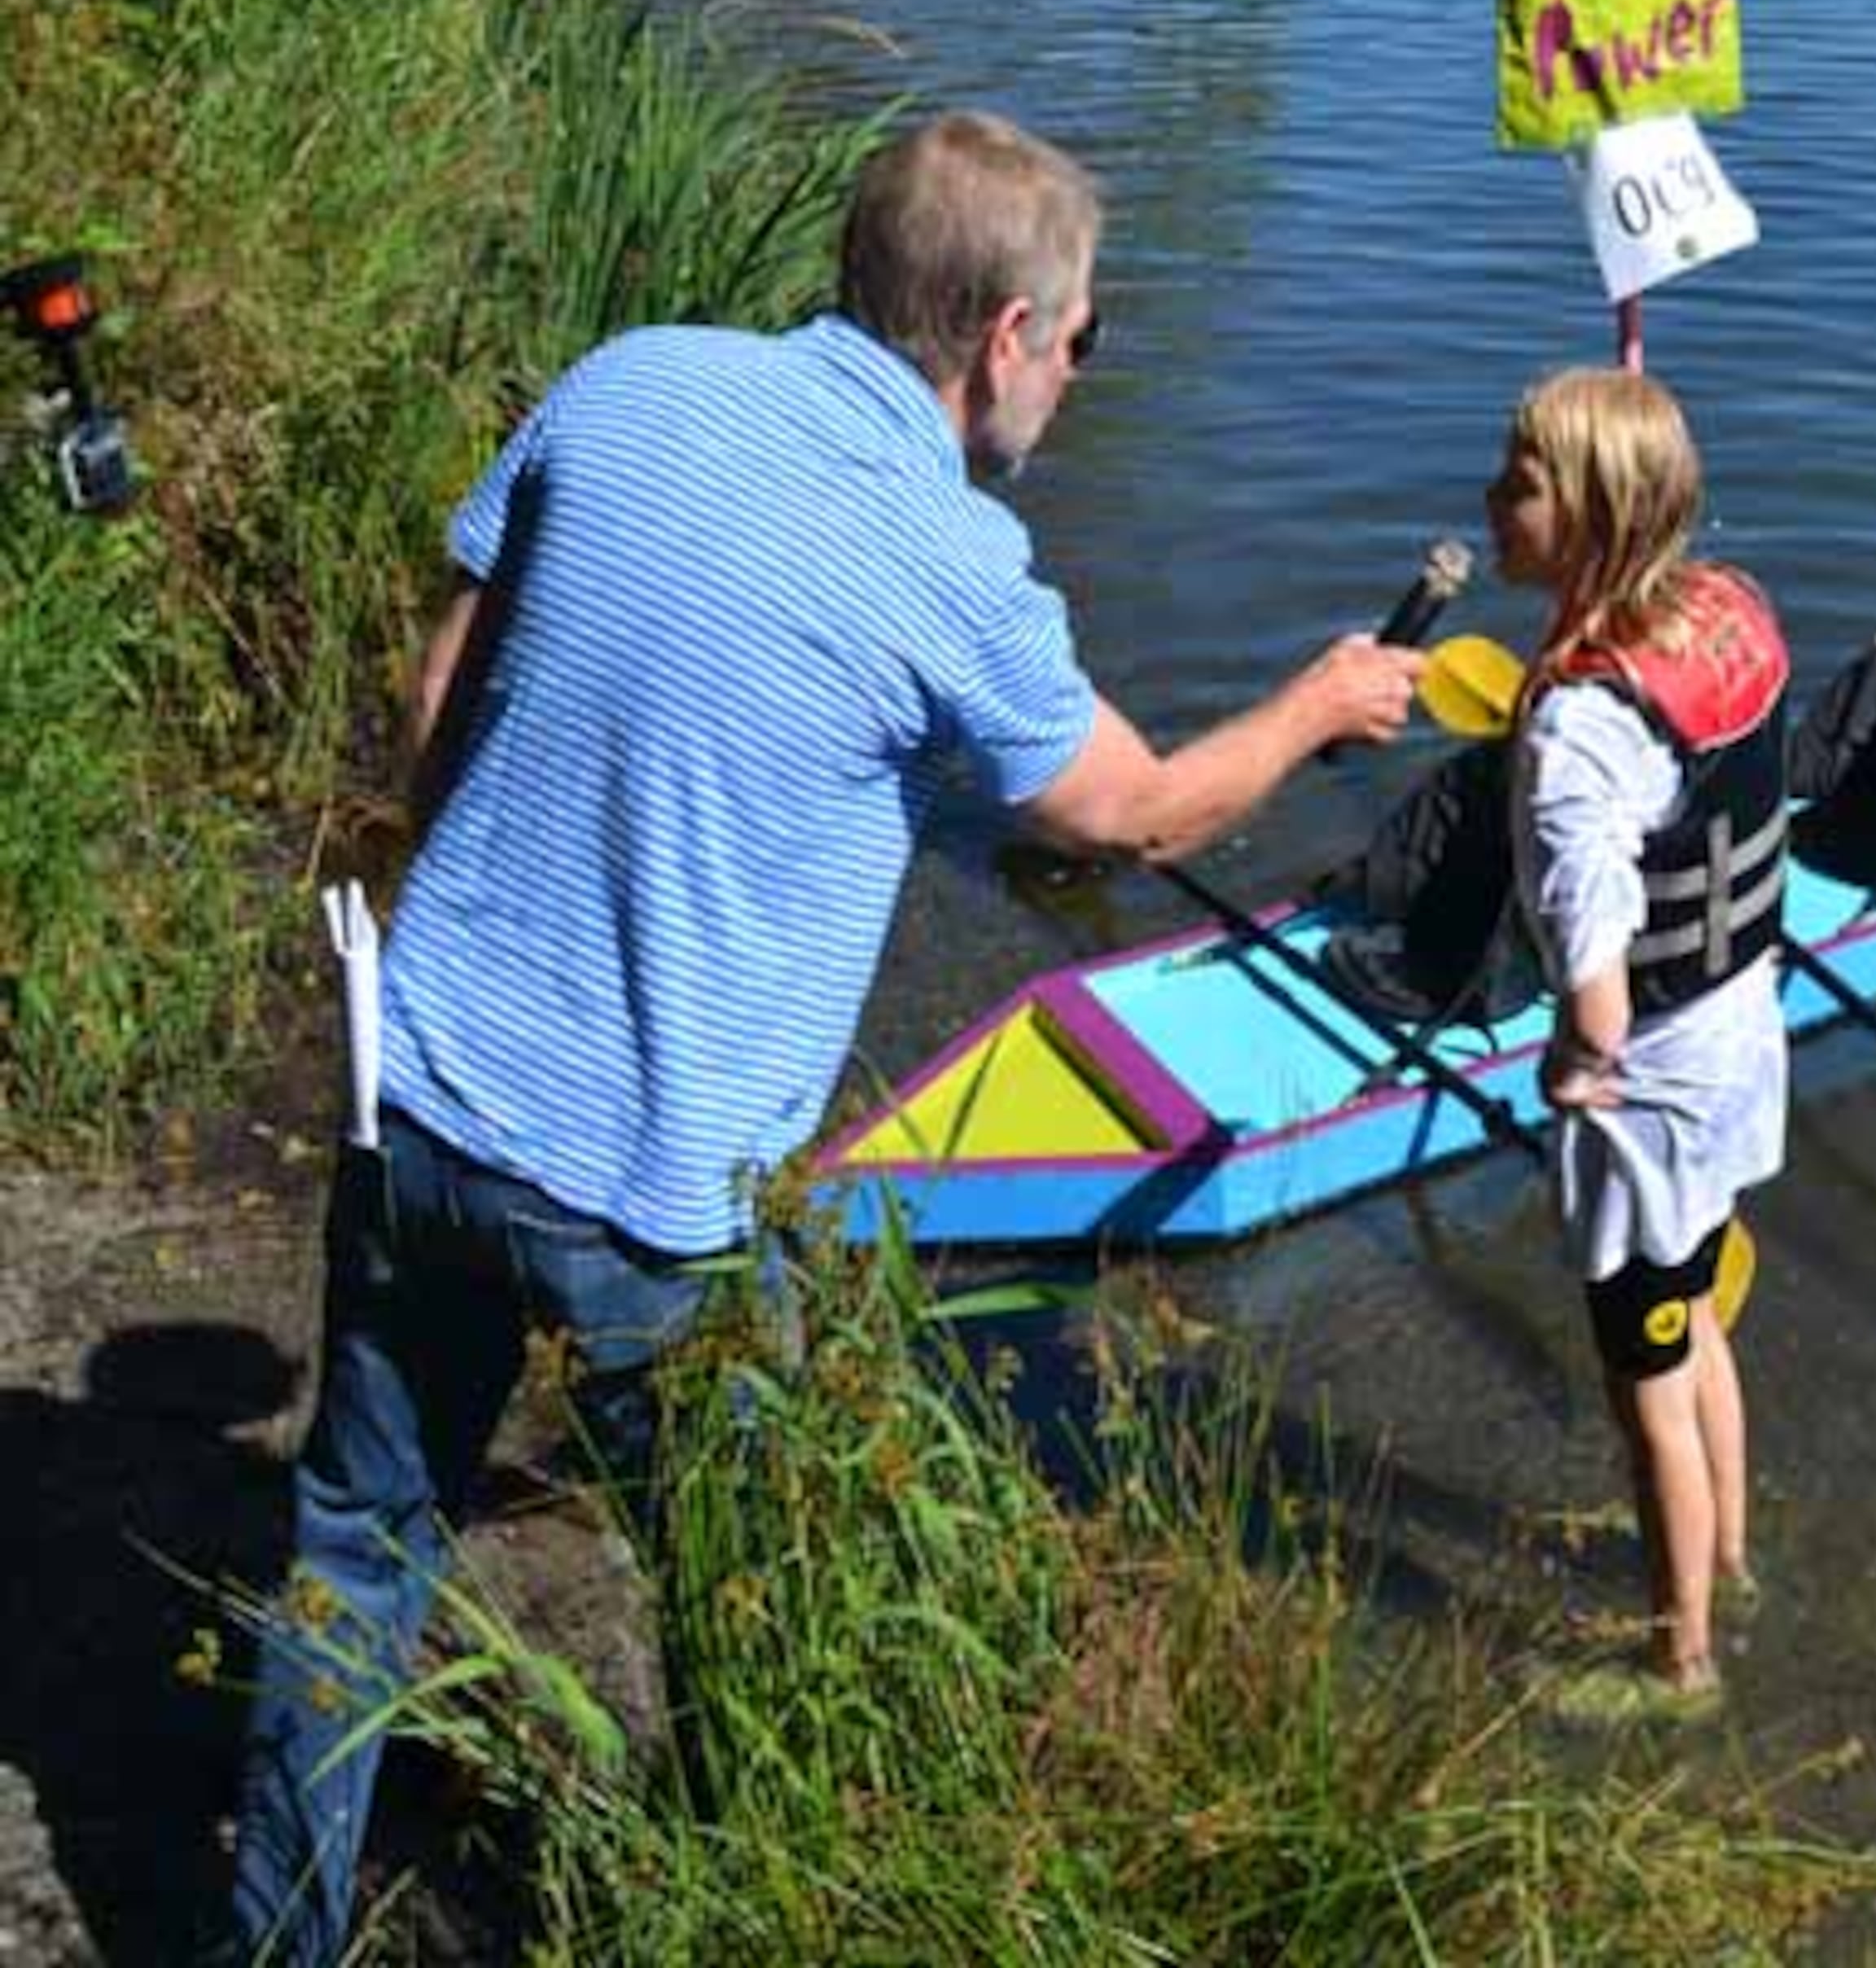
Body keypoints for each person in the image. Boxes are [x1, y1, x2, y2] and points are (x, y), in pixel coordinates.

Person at [225, 110, 1421, 1964]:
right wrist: (1316, 703)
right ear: (1008, 334)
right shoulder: (956, 569)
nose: (1082, 381)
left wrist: (470, 891)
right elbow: (1138, 814)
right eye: (1085, 341)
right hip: (648, 1208)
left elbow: (440, 684)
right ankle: (728, 1910)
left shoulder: (632, 378)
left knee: (357, 1548)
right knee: (748, 1610)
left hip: (420, 1086)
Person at [1485, 365, 1786, 1724]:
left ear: (1599, 515)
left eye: (1525, 481)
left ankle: (1683, 1669)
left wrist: (1568, 1059)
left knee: (1644, 1383)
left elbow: (1597, 984)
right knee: (1700, 1316)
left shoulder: (1579, 728)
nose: (1495, 499)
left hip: (1652, 1083)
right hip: (1743, 1033)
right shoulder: (1726, 612)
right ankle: (1732, 1558)